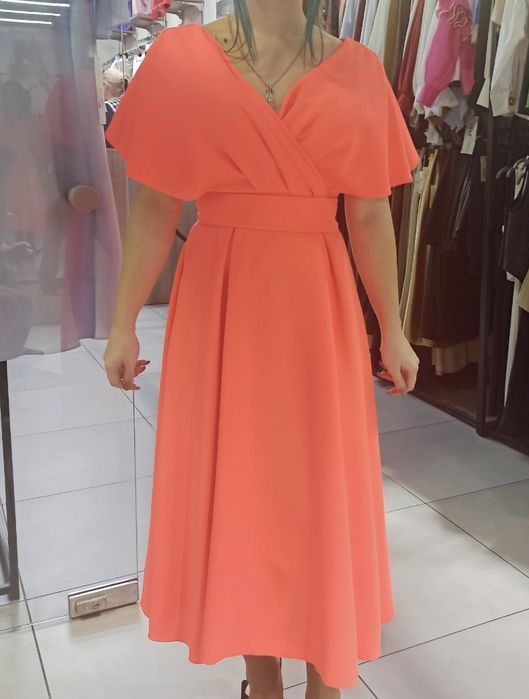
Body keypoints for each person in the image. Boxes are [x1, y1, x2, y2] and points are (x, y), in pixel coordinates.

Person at [103, 2, 420, 698]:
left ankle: (326, 677)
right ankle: (262, 681)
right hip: (222, 300)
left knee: (317, 484)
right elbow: (154, 203)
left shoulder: (360, 70)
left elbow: (370, 211)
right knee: (241, 484)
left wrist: (392, 327)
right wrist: (123, 320)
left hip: (314, 301)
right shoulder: (180, 59)